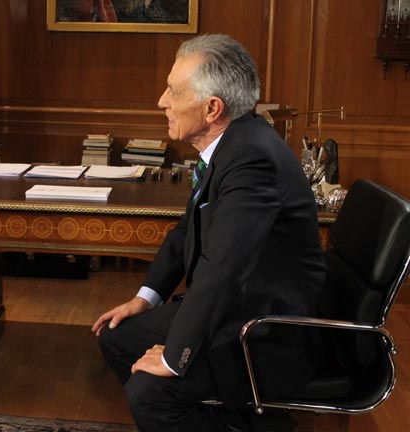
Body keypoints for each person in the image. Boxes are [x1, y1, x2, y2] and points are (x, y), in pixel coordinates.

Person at [91, 34, 326, 431]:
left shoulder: (250, 157)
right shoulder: (234, 144)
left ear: (212, 108)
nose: (161, 101)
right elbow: (188, 229)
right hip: (237, 306)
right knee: (116, 336)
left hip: (265, 329)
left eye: (173, 91)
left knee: (150, 393)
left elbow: (223, 267)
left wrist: (174, 358)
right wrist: (145, 299)